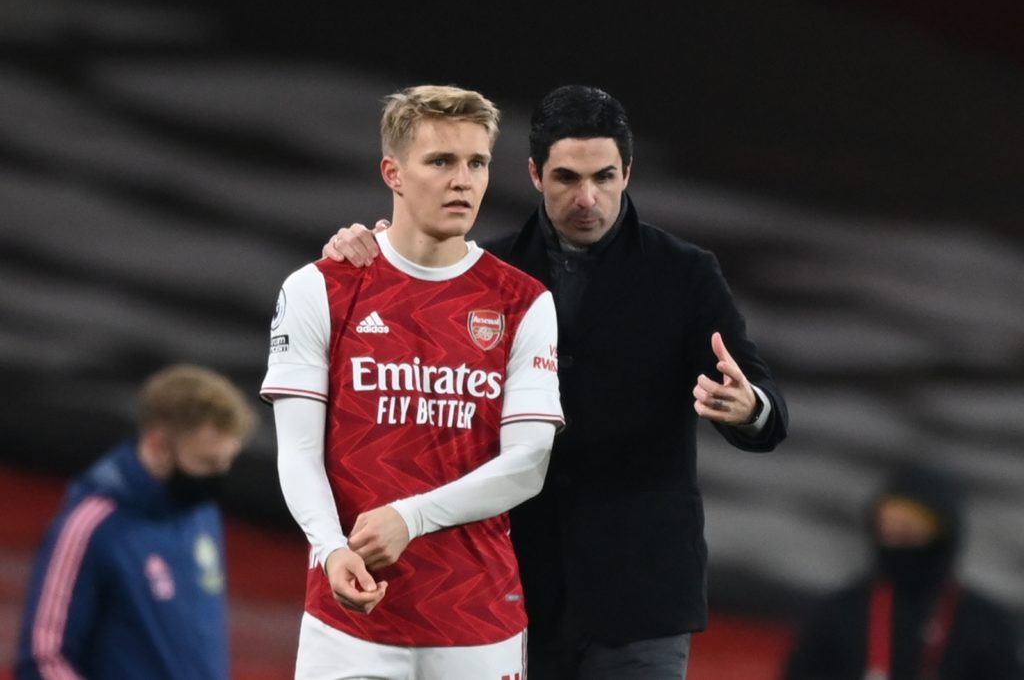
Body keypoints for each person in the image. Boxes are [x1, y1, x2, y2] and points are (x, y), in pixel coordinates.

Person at [322, 84, 789, 679]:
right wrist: (359, 253)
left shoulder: (686, 275)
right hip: (507, 587)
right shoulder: (480, 272)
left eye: (605, 177)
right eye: (568, 177)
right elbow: (405, 378)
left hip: (640, 597)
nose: (588, 198)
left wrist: (749, 407)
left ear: (628, 173)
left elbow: (769, 412)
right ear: (535, 174)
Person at [261, 84, 563, 680]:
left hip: (477, 625)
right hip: (348, 624)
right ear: (392, 172)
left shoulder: (523, 302)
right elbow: (297, 452)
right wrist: (329, 549)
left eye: (477, 162)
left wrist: (412, 518)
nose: (464, 180)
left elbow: (529, 463)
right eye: (441, 161)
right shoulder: (320, 288)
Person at [14, 364, 256, 680]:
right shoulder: (91, 526)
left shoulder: (202, 514)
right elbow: (43, 658)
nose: (218, 476)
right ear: (157, 445)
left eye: (226, 463)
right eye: (207, 462)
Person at [784, 463, 1023, 680]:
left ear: (943, 537)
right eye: (888, 531)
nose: (895, 542)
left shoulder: (986, 626)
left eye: (908, 532)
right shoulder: (841, 613)